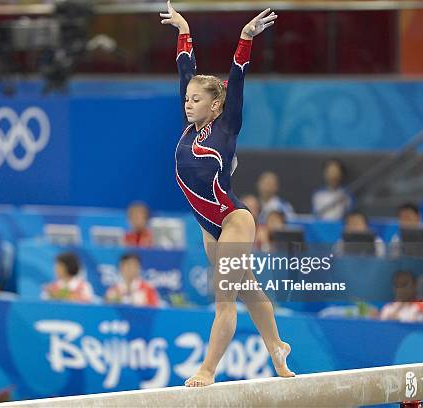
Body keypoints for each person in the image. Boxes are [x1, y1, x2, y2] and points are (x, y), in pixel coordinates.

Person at [160, 1, 294, 387]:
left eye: (196, 100)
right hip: (209, 228)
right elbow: (187, 68)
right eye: (186, 99)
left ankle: (208, 368)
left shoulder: (227, 126)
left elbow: (237, 79)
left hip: (233, 220)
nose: (187, 104)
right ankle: (277, 348)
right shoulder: (190, 128)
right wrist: (183, 29)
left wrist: (245, 40)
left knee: (226, 301)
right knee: (249, 289)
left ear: (216, 105)